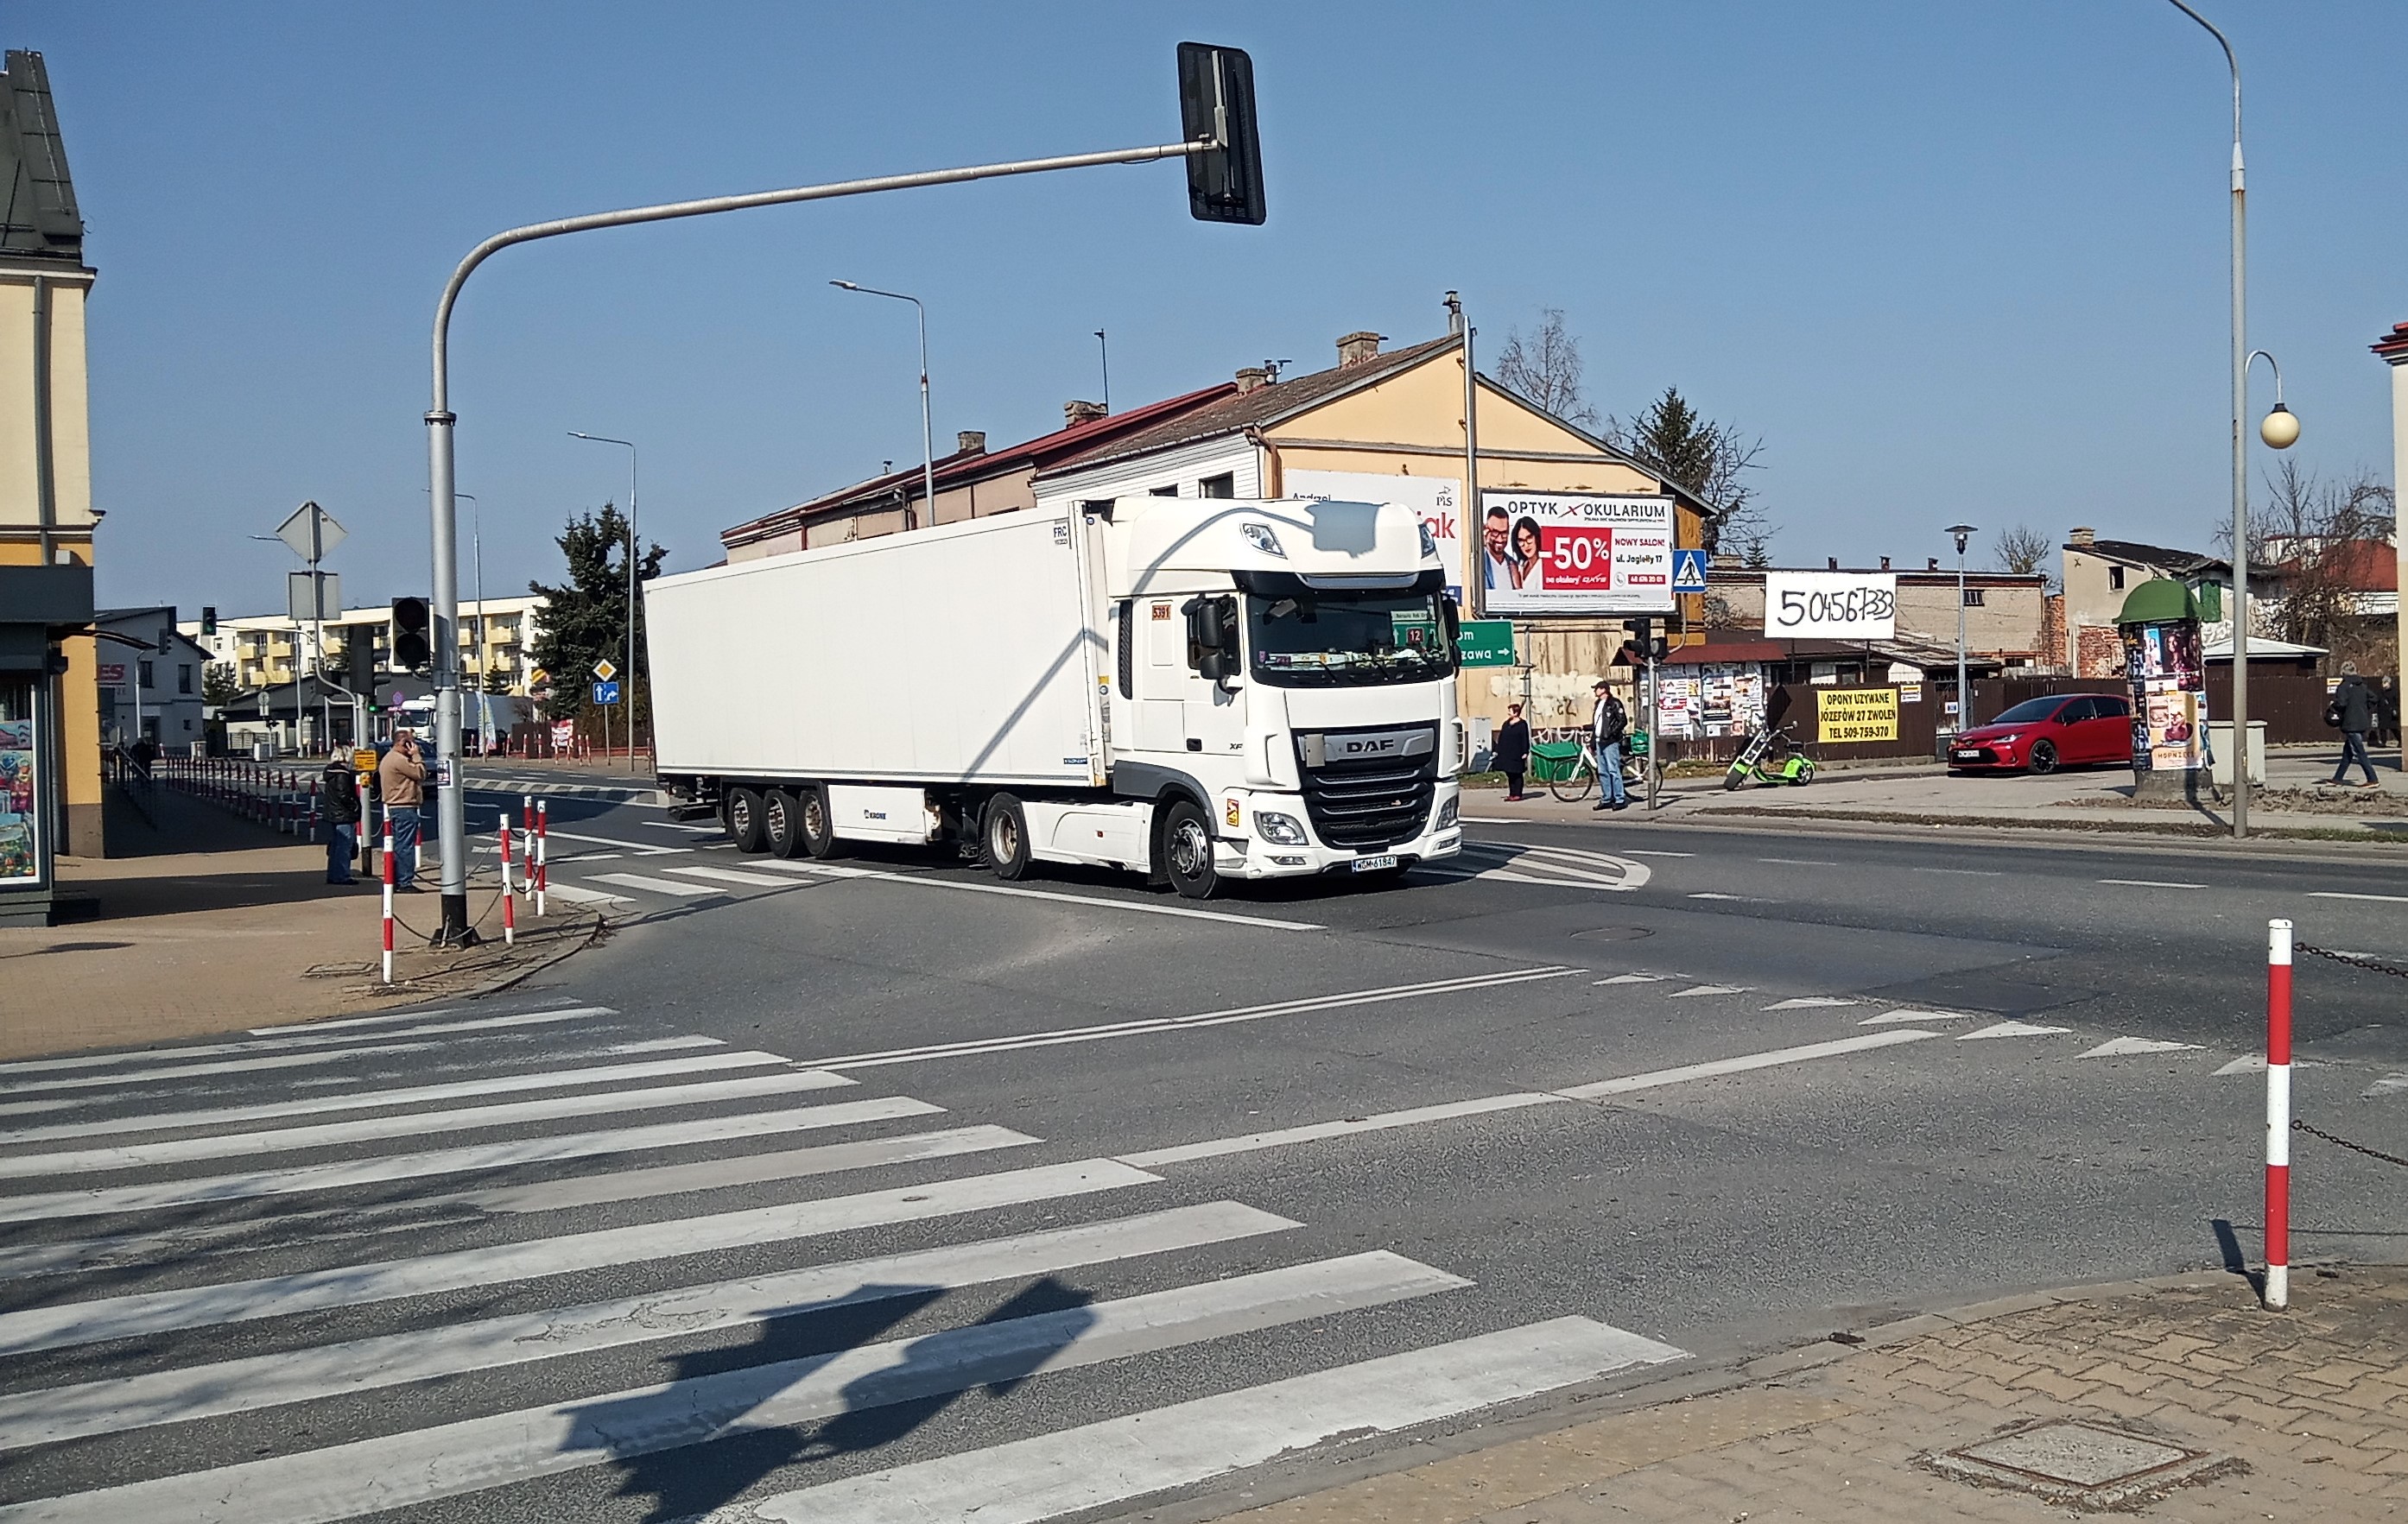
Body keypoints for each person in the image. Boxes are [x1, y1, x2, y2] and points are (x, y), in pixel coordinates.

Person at [377, 727, 428, 887]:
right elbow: (420, 773)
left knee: (400, 845)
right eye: (411, 743)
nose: (414, 746)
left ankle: (397, 878)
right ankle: (404, 881)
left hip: (396, 806)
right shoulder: (399, 760)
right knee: (405, 846)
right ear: (404, 743)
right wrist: (416, 755)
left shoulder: (389, 758)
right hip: (403, 806)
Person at [2326, 662, 2379, 787]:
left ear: (2343, 672)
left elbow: (2342, 703)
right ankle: (2337, 779)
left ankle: (2372, 779)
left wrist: (2333, 706)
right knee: (2348, 753)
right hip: (2362, 722)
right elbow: (2374, 698)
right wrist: (2364, 708)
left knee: (2359, 752)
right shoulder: (2362, 686)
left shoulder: (2344, 686)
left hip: (2350, 723)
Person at [320, 749, 361, 884]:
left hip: (334, 813)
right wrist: (354, 806)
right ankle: (342, 875)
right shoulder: (343, 775)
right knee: (344, 846)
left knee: (336, 845)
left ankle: (333, 874)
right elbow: (344, 795)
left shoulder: (331, 772)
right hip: (343, 814)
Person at [1589, 678, 1629, 813]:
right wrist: (1593, 742)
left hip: (1610, 742)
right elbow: (1596, 725)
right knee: (1602, 771)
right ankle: (1607, 798)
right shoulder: (1598, 704)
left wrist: (1611, 733)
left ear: (1603, 690)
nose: (1595, 691)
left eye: (1597, 688)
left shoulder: (1614, 703)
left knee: (1613, 770)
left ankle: (1620, 799)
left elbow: (1622, 720)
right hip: (1599, 741)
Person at [1494, 703, 1531, 801]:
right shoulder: (1506, 724)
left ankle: (1518, 794)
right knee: (1509, 773)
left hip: (1517, 753)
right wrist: (1498, 750)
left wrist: (1525, 751)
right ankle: (1512, 793)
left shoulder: (1522, 724)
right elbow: (1501, 737)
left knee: (1517, 773)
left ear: (1516, 713)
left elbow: (1525, 738)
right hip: (1507, 753)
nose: (1508, 713)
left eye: (1510, 711)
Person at [1480, 507, 1513, 589]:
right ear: (1486, 530)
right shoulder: (1480, 562)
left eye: (1504, 533)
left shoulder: (1514, 565)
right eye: (1495, 532)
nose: (1500, 539)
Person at [1510, 516, 1544, 590]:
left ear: (1536, 537)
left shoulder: (1542, 566)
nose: (1526, 545)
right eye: (1521, 541)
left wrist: (1518, 587)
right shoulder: (1522, 567)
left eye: (1529, 538)